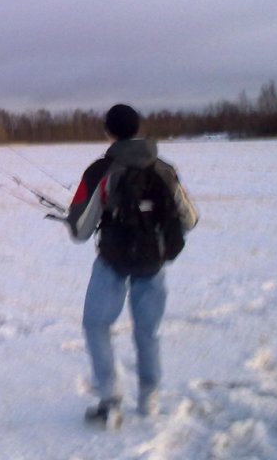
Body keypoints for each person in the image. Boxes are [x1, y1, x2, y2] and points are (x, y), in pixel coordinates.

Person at [65, 104, 198, 421]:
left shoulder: (100, 171)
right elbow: (190, 219)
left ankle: (110, 400)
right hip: (153, 261)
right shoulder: (164, 169)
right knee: (147, 333)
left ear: (108, 131)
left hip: (113, 260)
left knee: (96, 325)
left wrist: (76, 218)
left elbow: (80, 231)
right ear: (138, 128)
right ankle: (149, 400)